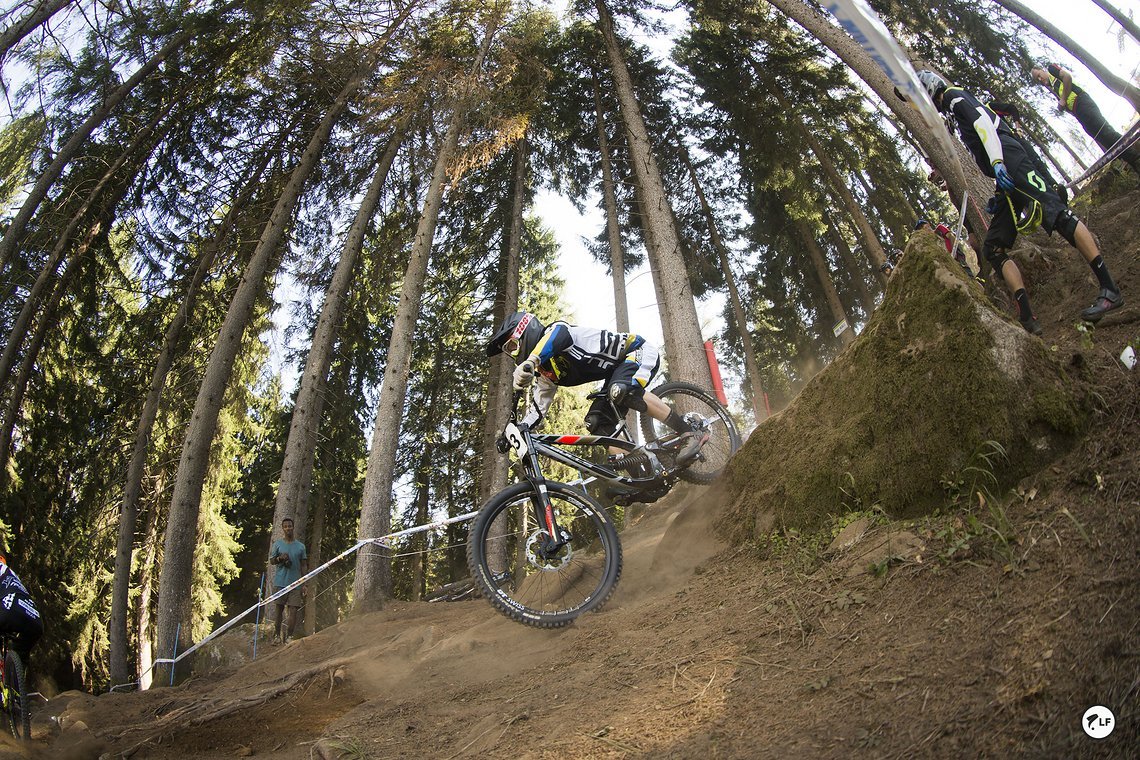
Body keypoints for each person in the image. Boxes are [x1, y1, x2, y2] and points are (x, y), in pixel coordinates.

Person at [915, 70, 1124, 334]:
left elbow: (984, 124)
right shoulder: (952, 110)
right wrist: (997, 192)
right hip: (1003, 174)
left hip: (1009, 159)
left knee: (1057, 214)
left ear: (930, 90)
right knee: (993, 248)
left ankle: (1110, 288)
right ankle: (1027, 317)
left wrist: (998, 163)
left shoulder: (955, 98)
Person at [486, 312, 709, 466]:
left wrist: (532, 360)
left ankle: (688, 432)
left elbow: (558, 337)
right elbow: (537, 409)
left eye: (512, 346)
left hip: (636, 351)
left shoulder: (557, 332)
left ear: (526, 329)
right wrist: (513, 430)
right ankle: (639, 474)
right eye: (510, 352)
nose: (514, 354)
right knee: (595, 421)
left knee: (621, 390)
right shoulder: (547, 372)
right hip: (614, 376)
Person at [1030, 63, 1140, 174]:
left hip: (1083, 102)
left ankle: (1136, 157)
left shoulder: (1051, 69)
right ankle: (1134, 163)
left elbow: (1067, 77)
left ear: (1042, 70)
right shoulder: (1053, 88)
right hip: (1079, 113)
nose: (1040, 79)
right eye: (1037, 79)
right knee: (1104, 140)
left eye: (1039, 75)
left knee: (1106, 132)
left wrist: (1062, 99)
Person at [267, 518, 307, 645]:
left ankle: (289, 636)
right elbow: (272, 561)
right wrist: (280, 558)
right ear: (282, 528)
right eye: (285, 526)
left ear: (293, 527)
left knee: (293, 610)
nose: (288, 528)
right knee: (279, 609)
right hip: (280, 582)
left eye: (290, 526)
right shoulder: (278, 544)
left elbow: (304, 565)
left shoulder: (301, 547)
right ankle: (277, 636)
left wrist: (305, 583)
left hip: (295, 583)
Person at [0, 552, 43, 663]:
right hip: (35, 620)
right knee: (21, 654)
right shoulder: (12, 575)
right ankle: (16, 674)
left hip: (8, 612)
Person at [914, 218, 980, 279]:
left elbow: (951, 237)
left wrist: (954, 251)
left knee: (968, 275)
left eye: (924, 226)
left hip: (956, 256)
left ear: (928, 224)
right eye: (922, 228)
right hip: (949, 263)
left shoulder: (939, 229)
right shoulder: (930, 243)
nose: (925, 228)